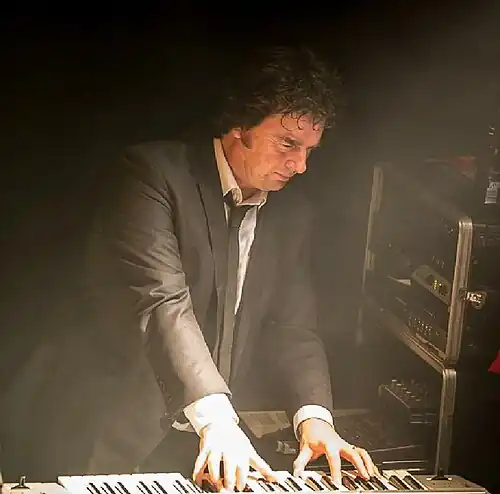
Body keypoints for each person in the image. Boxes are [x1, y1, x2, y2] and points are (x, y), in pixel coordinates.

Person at [2, 45, 375, 490]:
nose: (300, 165)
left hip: (206, 439)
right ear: (240, 126)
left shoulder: (291, 213)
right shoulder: (152, 175)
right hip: (107, 429)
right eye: (287, 144)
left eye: (310, 149)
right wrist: (217, 420)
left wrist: (315, 418)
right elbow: (162, 300)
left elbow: (294, 326)